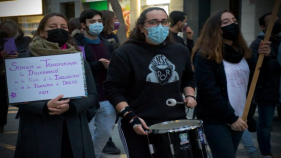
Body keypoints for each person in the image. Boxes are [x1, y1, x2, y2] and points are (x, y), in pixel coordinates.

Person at [104, 7, 196, 158]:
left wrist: (190, 96)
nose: (160, 26)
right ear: (141, 27)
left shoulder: (180, 50)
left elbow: (188, 77)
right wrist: (131, 117)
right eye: (153, 22)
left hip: (175, 121)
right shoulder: (124, 53)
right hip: (140, 123)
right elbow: (113, 89)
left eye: (164, 22)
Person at [13, 13, 98, 158]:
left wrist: (72, 107)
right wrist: (44, 107)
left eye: (63, 27)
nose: (59, 30)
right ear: (41, 32)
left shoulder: (76, 57)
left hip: (74, 129)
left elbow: (92, 94)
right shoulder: (26, 57)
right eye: (53, 27)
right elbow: (16, 96)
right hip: (38, 128)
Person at [192, 10, 270, 158]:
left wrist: (264, 59)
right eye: (225, 22)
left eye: (234, 21)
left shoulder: (243, 53)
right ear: (215, 29)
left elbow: (259, 81)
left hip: (241, 115)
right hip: (217, 118)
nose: (232, 24)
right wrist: (231, 118)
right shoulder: (205, 55)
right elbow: (208, 91)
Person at [79, 9, 116, 158]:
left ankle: (93, 154)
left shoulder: (107, 44)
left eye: (99, 21)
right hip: (86, 97)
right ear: (84, 25)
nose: (97, 24)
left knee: (106, 131)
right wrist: (98, 66)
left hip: (106, 95)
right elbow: (78, 67)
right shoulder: (77, 44)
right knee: (85, 133)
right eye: (92, 22)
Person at [250, 13, 281, 158]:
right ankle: (266, 152)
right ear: (263, 27)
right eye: (272, 22)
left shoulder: (279, 41)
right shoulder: (258, 44)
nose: (277, 23)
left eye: (278, 21)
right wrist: (268, 57)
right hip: (266, 91)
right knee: (265, 125)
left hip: (277, 89)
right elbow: (258, 69)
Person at [0, 20, 31, 133]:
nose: (4, 31)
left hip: (20, 75)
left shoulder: (26, 40)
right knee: (2, 101)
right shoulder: (1, 40)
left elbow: (31, 55)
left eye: (6, 29)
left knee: (24, 100)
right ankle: (1, 123)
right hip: (3, 74)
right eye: (2, 29)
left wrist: (20, 55)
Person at [99, 10, 121, 155]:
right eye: (114, 18)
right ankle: (106, 141)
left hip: (113, 76)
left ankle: (106, 139)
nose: (116, 20)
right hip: (100, 79)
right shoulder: (97, 38)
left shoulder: (113, 36)